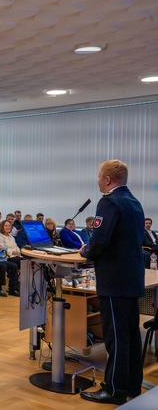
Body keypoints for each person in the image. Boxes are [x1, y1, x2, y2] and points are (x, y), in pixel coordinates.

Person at [78, 160, 145, 404]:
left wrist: (86, 252)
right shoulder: (134, 202)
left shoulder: (108, 201)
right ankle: (131, 386)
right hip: (131, 279)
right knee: (129, 335)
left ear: (107, 180)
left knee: (115, 337)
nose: (97, 179)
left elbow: (101, 239)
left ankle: (113, 390)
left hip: (114, 281)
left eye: (99, 175)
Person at [0, 220, 22, 296]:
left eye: (9, 226)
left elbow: (16, 247)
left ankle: (17, 285)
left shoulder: (11, 237)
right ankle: (15, 286)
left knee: (27, 261)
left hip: (16, 256)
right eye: (6, 226)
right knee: (23, 262)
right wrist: (12, 252)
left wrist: (18, 252)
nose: (8, 227)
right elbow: (2, 250)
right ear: (2, 227)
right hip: (7, 257)